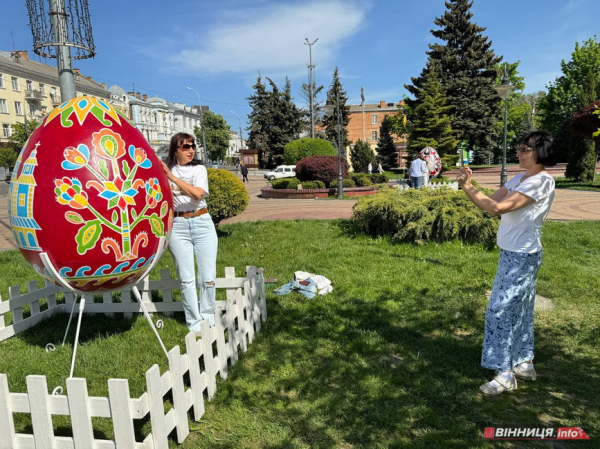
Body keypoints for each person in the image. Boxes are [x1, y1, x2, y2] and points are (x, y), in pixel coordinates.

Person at [456, 131, 556, 395]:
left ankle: (504, 373)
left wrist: (468, 187)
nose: (520, 153)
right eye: (519, 148)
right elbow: (492, 202)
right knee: (519, 309)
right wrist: (469, 186)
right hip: (511, 253)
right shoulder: (520, 178)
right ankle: (523, 362)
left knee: (499, 311)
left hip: (522, 256)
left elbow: (498, 208)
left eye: (526, 149)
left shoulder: (541, 182)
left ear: (541, 152)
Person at [161, 132, 218, 331]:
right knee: (187, 279)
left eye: (192, 146)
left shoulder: (199, 170)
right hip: (178, 227)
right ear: (175, 150)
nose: (190, 150)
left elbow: (197, 194)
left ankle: (209, 319)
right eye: (185, 147)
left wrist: (172, 178)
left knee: (207, 277)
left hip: (202, 222)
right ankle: (194, 323)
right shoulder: (165, 171)